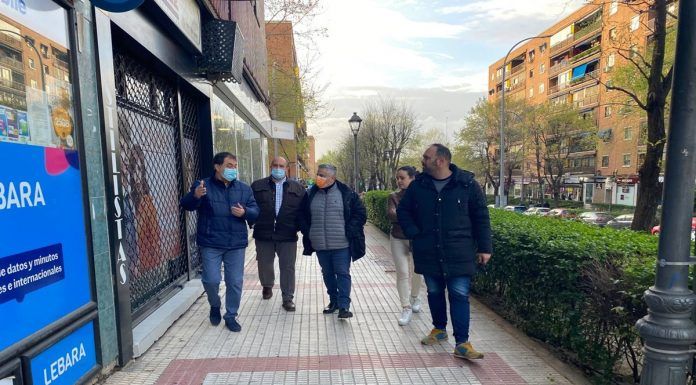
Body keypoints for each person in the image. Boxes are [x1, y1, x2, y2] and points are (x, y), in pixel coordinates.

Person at [397, 144, 492, 360]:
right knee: (434, 292)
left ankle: (462, 343)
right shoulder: (419, 185)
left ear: (440, 160)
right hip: (428, 250)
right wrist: (414, 232)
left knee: (459, 294)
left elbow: (481, 217)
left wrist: (485, 247)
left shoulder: (467, 184)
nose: (422, 160)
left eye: (426, 157)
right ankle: (439, 329)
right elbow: (404, 210)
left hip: (459, 252)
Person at [180, 152, 259, 332]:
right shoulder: (202, 186)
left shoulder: (244, 189)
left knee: (234, 282)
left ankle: (231, 315)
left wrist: (245, 212)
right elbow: (186, 205)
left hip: (235, 244)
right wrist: (196, 195)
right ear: (217, 167)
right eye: (229, 165)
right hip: (211, 243)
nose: (233, 169)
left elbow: (256, 211)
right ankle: (215, 304)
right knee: (211, 280)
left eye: (234, 166)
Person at [300, 164, 366, 319]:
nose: (319, 177)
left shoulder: (347, 194)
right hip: (320, 244)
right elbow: (301, 215)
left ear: (333, 178)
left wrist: (349, 230)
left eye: (323, 175)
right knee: (327, 274)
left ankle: (344, 306)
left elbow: (360, 214)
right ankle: (333, 301)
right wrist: (307, 231)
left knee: (342, 273)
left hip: (341, 244)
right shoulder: (310, 194)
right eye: (318, 174)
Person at [251, 157, 306, 311]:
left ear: (286, 168)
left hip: (287, 234)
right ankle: (267, 285)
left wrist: (301, 228)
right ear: (270, 166)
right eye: (275, 165)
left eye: (281, 166)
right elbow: (250, 205)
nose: (278, 168)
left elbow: (303, 211)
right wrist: (251, 222)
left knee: (288, 267)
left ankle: (287, 298)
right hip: (264, 233)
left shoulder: (298, 188)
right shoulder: (257, 186)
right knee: (264, 263)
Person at [387, 166, 424, 326]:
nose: (399, 181)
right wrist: (410, 216)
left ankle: (415, 297)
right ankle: (405, 307)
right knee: (402, 272)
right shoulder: (393, 196)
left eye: (402, 178)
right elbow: (391, 214)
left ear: (412, 178)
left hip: (417, 238)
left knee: (418, 271)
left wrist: (402, 215)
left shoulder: (422, 196)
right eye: (397, 178)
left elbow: (424, 216)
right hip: (397, 237)